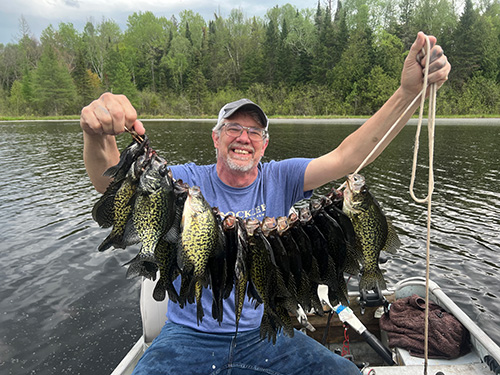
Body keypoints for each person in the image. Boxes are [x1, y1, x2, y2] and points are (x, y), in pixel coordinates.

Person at [81, 32, 450, 375]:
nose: (244, 138)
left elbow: (349, 157)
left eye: (254, 132)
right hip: (187, 335)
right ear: (216, 137)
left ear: (264, 144)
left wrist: (408, 93)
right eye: (233, 128)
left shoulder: (282, 177)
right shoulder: (185, 182)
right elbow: (109, 183)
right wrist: (97, 134)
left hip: (264, 332)